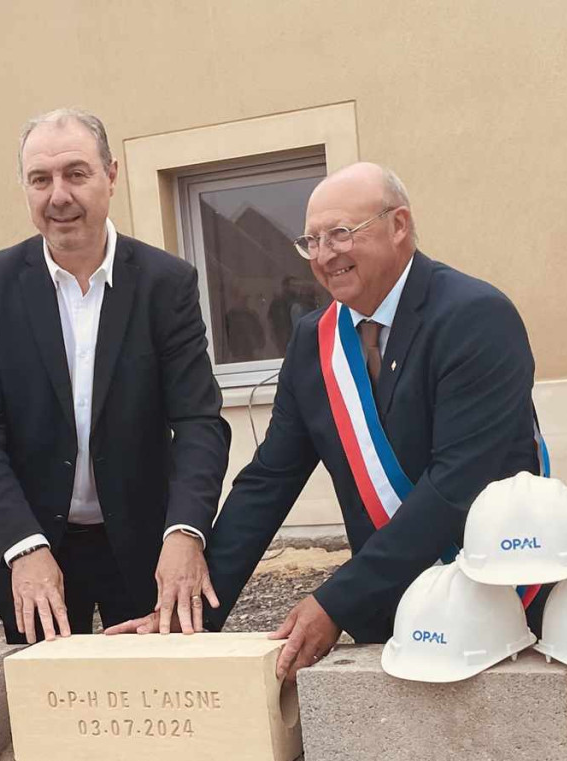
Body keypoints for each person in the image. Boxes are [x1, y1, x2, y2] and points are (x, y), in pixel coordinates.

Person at [110, 162, 543, 682]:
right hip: (397, 614)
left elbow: (457, 487)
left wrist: (336, 602)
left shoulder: (475, 316)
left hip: (500, 603)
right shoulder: (314, 341)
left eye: (340, 234)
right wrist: (185, 621)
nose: (324, 255)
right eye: (310, 241)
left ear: (399, 225)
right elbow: (269, 482)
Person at [0, 109, 230, 645]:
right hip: (34, 552)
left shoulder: (166, 284)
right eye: (41, 179)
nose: (59, 196)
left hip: (149, 553)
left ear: (112, 176)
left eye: (76, 174)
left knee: (157, 716)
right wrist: (22, 546)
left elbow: (198, 422)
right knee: (46, 720)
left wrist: (186, 532)